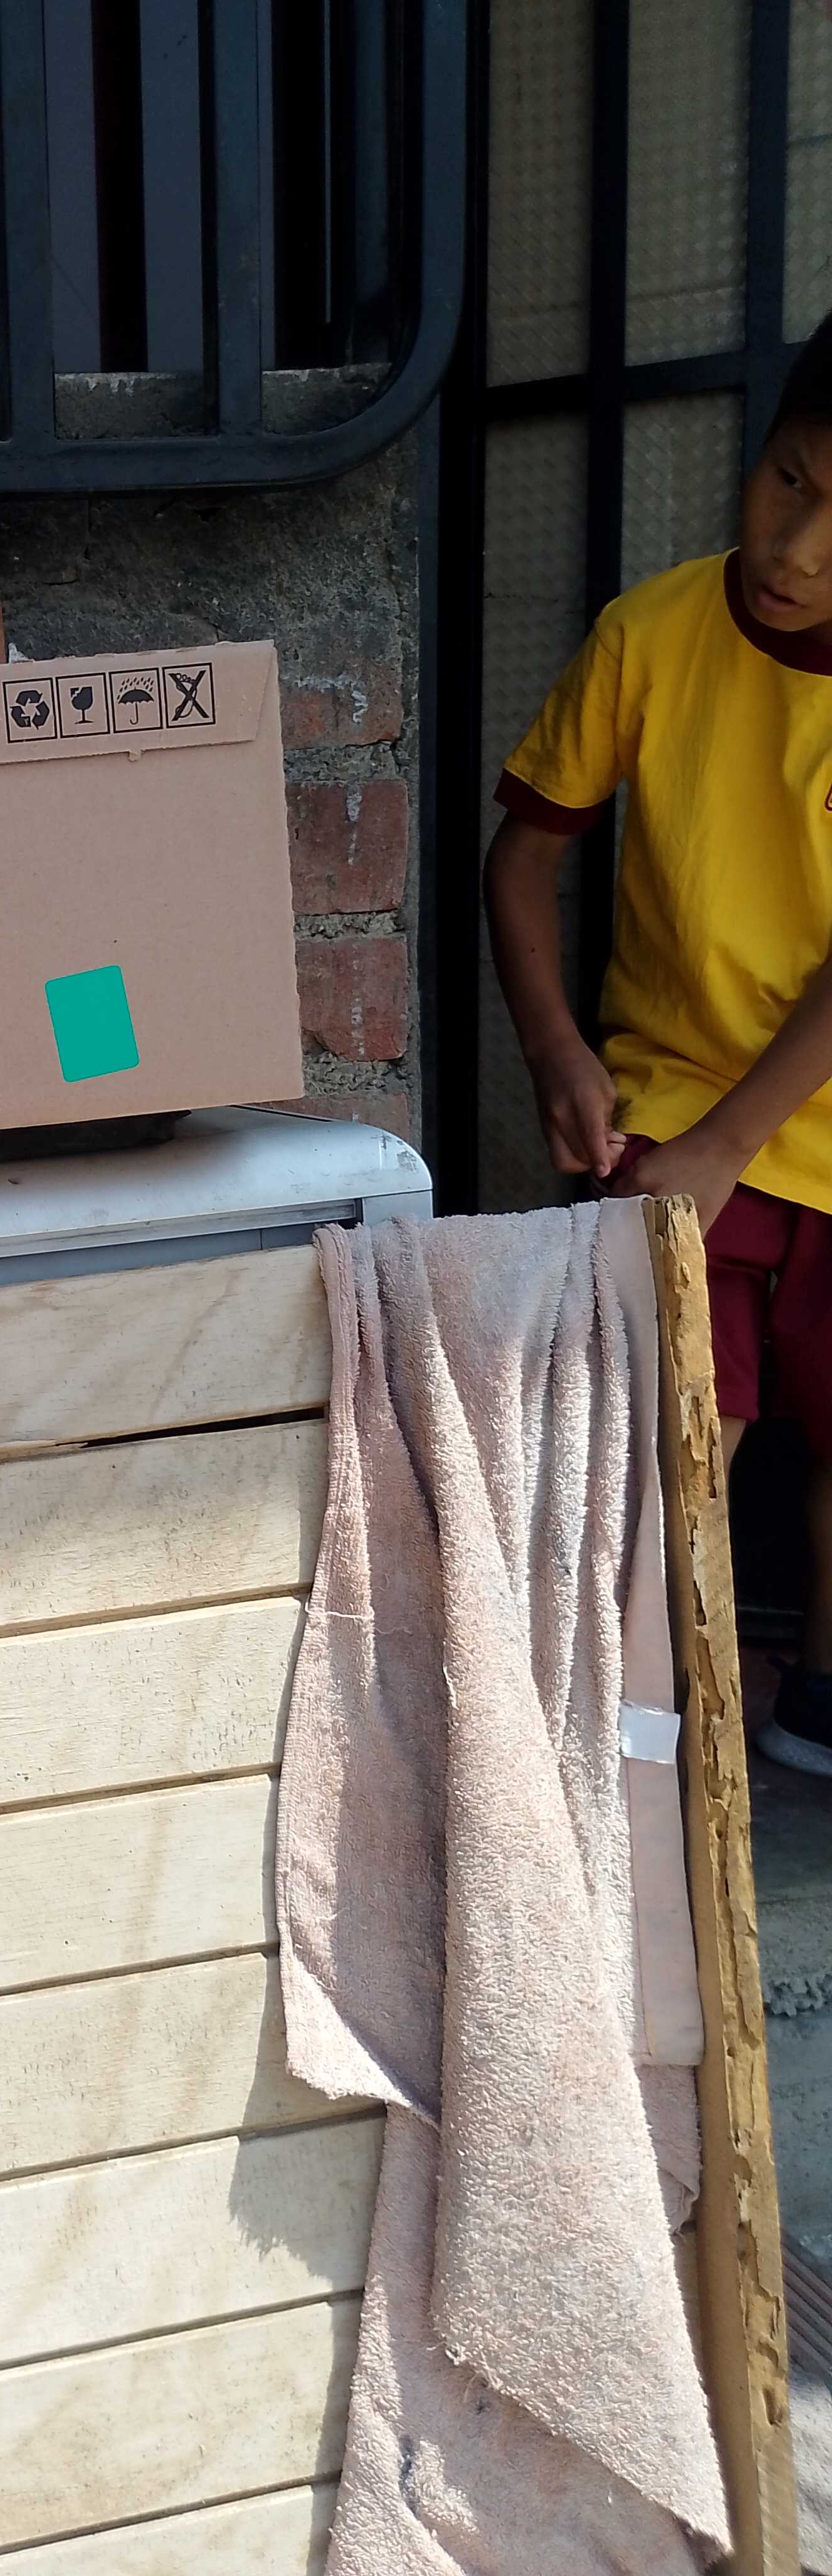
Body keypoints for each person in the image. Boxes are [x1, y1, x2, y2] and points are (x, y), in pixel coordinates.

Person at [485, 315, 832, 1774]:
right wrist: (557, 1052)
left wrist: (729, 1145)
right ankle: (638, 1747)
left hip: (776, 1117)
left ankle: (814, 1709)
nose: (799, 549)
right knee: (677, 1441)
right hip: (681, 1107)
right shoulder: (655, 632)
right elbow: (522, 860)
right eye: (790, 481)